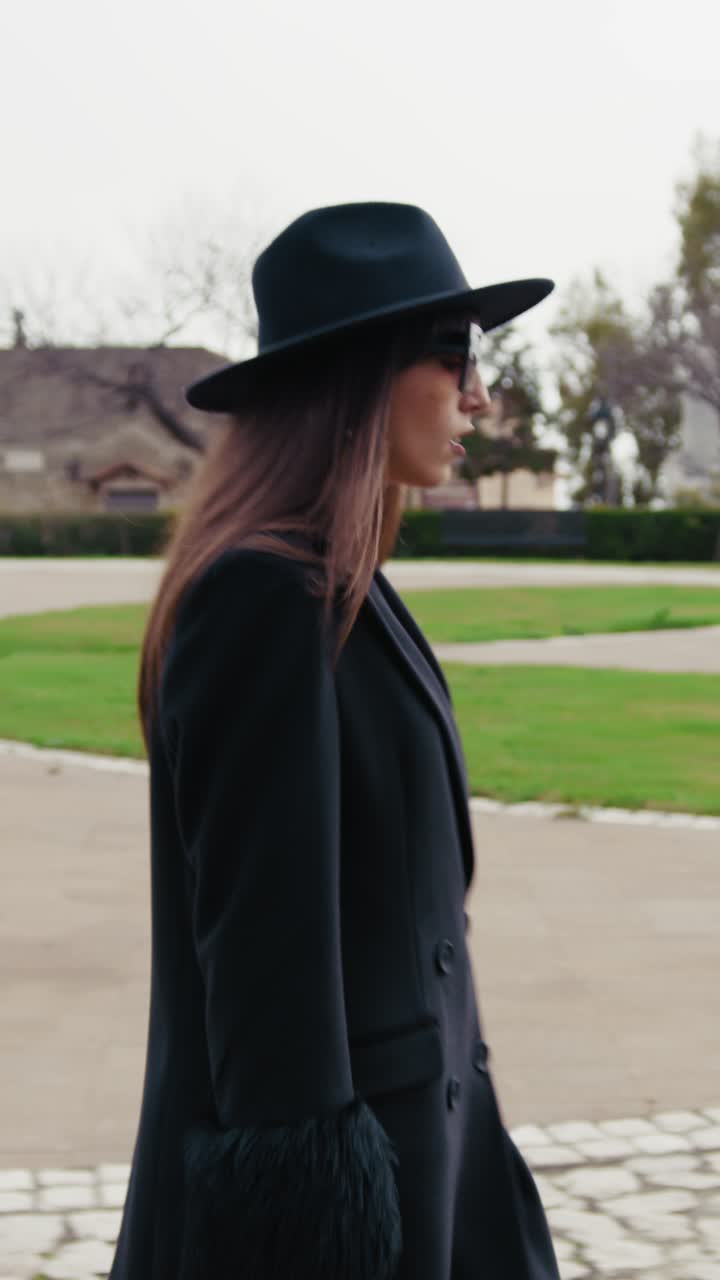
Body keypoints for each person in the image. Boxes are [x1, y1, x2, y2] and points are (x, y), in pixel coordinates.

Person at [108, 202, 560, 1280]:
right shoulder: (258, 598)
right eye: (454, 356)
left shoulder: (343, 581)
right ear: (361, 373)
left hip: (429, 1167)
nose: (480, 394)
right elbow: (270, 994)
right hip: (338, 1220)